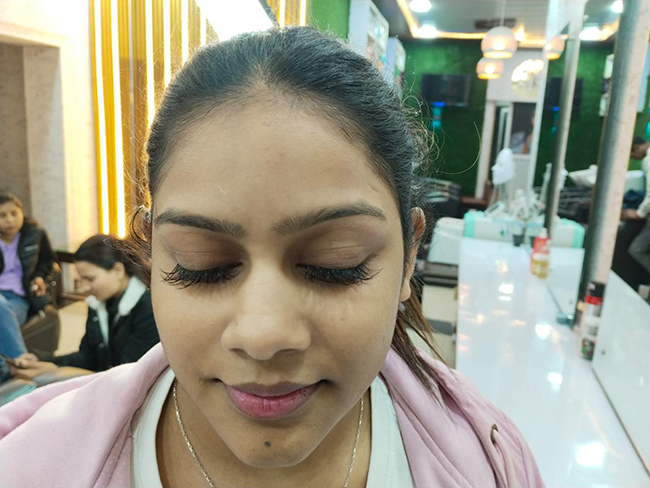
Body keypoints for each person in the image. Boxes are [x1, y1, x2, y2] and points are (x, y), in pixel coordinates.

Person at [0, 28, 544, 487]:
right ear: (151, 254)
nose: (262, 336)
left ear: (409, 256)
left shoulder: (490, 462)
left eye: (336, 263)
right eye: (201, 265)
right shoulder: (30, 464)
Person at [11, 234, 159, 379]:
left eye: (90, 279)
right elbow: (88, 357)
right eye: (82, 279)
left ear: (118, 270)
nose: (85, 287)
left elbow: (129, 374)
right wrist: (45, 360)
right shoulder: (98, 303)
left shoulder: (149, 308)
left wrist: (59, 371)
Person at [0, 191, 55, 362]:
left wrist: (39, 277)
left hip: (20, 297)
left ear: (22, 212)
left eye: (14, 213)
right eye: (2, 215)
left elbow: (47, 260)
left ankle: (20, 361)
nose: (10, 220)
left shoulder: (34, 234)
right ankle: (22, 362)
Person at [623, 136, 650, 274]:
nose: (634, 159)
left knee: (637, 249)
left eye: (632, 155)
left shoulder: (648, 160)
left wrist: (639, 213)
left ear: (636, 148)